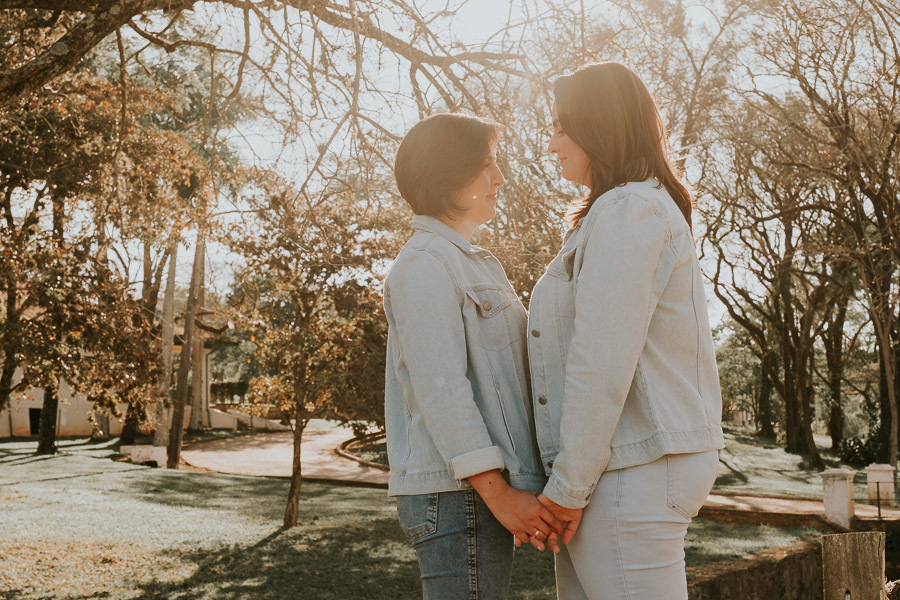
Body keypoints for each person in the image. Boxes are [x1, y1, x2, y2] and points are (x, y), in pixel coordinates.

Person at [528, 62, 725, 599]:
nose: (551, 144)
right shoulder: (625, 209)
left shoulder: (627, 210)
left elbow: (601, 359)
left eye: (560, 128)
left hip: (631, 469)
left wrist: (567, 487)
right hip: (622, 469)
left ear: (600, 125)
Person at [384, 113, 563, 600]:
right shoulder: (424, 265)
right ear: (447, 174)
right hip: (458, 496)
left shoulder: (462, 260)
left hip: (465, 495)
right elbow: (442, 388)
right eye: (486, 165)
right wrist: (498, 493)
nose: (500, 178)